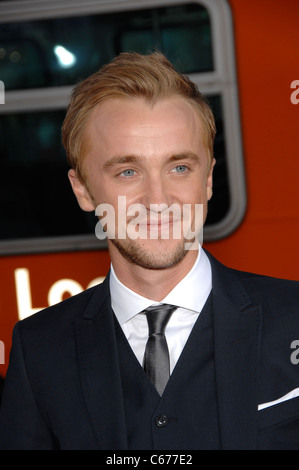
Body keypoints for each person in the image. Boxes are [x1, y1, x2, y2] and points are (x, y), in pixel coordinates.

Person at [0, 52, 299, 450]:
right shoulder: (38, 350)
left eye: (179, 168)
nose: (158, 200)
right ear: (83, 190)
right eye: (128, 171)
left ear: (208, 179)